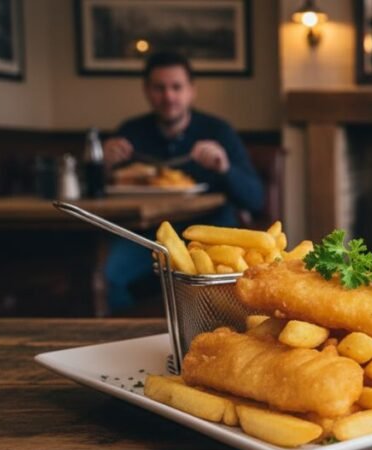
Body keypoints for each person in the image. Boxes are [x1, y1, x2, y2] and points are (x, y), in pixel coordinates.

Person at [102, 51, 264, 312]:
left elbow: (255, 199)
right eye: (159, 88)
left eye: (176, 87)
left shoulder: (218, 131)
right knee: (111, 274)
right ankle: (126, 332)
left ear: (191, 91)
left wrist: (225, 168)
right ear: (146, 91)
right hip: (148, 236)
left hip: (211, 233)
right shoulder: (131, 133)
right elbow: (103, 193)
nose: (168, 97)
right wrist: (105, 166)